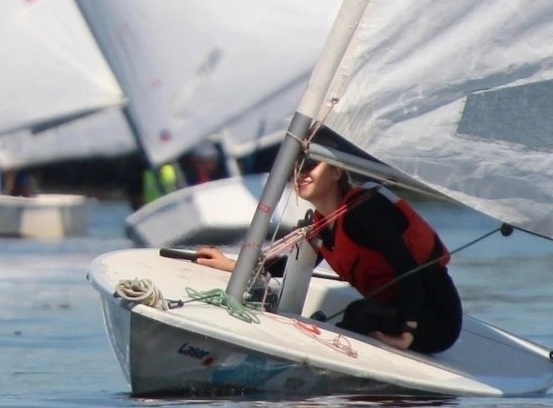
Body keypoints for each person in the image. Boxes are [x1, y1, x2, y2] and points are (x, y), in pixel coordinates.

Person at [189, 152, 462, 355]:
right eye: (296, 167)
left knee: (360, 313)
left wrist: (408, 332)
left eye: (310, 165)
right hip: (392, 312)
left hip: (435, 317)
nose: (300, 173)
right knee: (357, 315)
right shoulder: (322, 223)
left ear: (336, 172)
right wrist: (230, 265)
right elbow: (289, 268)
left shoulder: (365, 211)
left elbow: (408, 269)